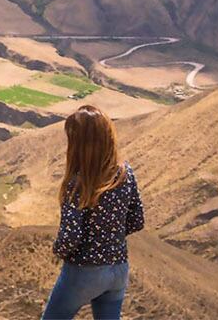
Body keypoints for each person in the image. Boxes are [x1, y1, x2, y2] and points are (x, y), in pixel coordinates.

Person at [41, 104, 145, 320]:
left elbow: (70, 237)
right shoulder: (125, 173)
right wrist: (108, 239)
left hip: (84, 271)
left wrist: (57, 252)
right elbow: (137, 220)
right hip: (118, 269)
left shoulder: (78, 182)